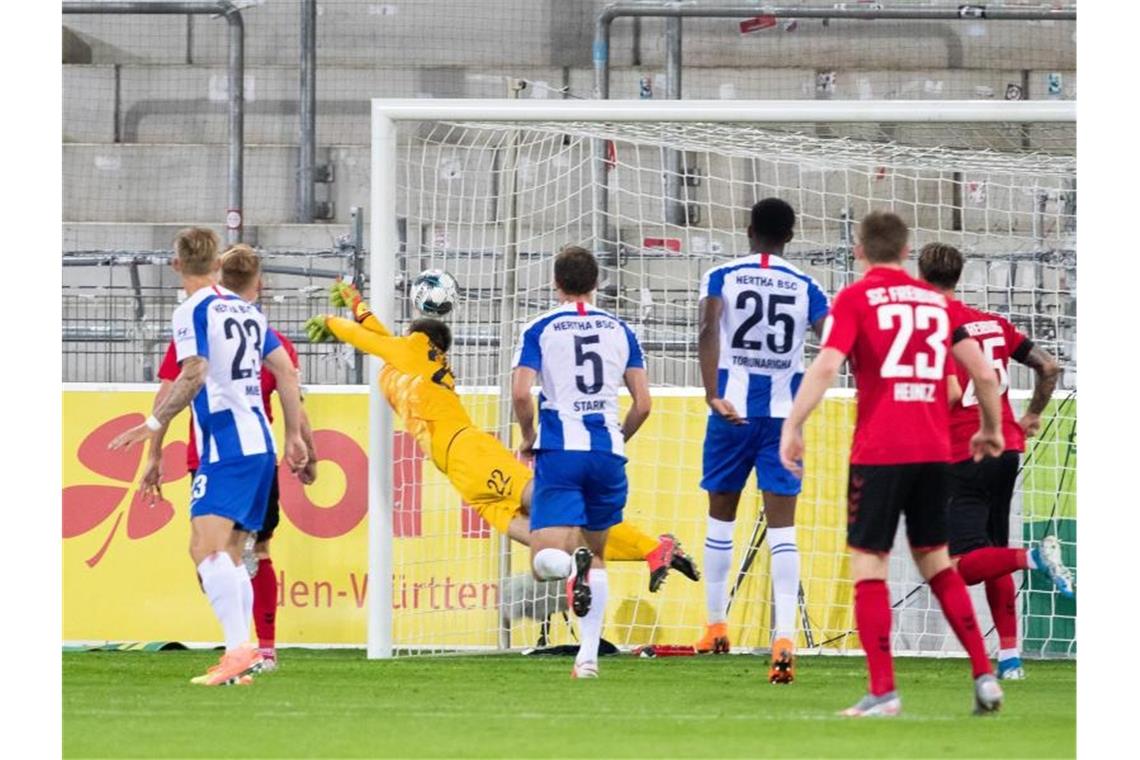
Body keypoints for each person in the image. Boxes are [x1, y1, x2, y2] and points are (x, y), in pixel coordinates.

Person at [304, 279, 697, 593]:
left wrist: (333, 322)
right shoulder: (408, 357)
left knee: (546, 502)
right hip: (459, 471)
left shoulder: (416, 348)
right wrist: (357, 304)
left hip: (469, 452)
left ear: (423, 339)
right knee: (534, 536)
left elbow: (370, 340)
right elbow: (378, 336)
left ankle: (649, 546)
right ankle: (625, 553)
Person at [778, 211, 1006, 717]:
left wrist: (792, 426)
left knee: (869, 564)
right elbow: (983, 377)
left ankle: (883, 690)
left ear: (859, 251)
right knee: (937, 562)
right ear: (907, 253)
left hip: (880, 453)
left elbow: (828, 364)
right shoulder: (936, 302)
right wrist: (989, 429)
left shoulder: (856, 298)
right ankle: (984, 675)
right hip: (932, 453)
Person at [110, 227, 307, 686]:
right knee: (233, 553)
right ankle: (243, 656)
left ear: (176, 265)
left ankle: (238, 650)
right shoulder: (248, 311)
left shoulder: (191, 310)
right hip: (259, 443)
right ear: (217, 262)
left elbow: (194, 372)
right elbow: (287, 372)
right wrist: (294, 434)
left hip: (226, 446)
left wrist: (154, 424)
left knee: (205, 547)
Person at [917, 242, 1075, 679]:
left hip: (963, 452)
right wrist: (1032, 416)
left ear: (920, 276)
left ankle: (1034, 559)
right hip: (1006, 451)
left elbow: (949, 393)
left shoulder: (935, 325)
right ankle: (1010, 658)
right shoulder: (993, 324)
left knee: (960, 566)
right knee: (992, 551)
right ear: (958, 275)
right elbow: (1048, 367)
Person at [694, 198, 829, 684]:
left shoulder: (722, 275)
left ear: (748, 229)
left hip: (730, 413)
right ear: (791, 236)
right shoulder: (808, 285)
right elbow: (832, 343)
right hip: (782, 420)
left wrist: (713, 395)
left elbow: (709, 329)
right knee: (783, 529)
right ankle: (785, 635)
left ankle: (714, 626)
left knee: (720, 516)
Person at [510, 245, 652, 679]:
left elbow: (520, 393)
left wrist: (529, 436)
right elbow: (643, 404)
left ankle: (573, 566)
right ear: (596, 283)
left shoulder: (540, 328)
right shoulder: (621, 330)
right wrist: (617, 441)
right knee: (600, 552)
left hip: (561, 451)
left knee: (543, 561)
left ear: (556, 283)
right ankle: (586, 659)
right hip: (607, 452)